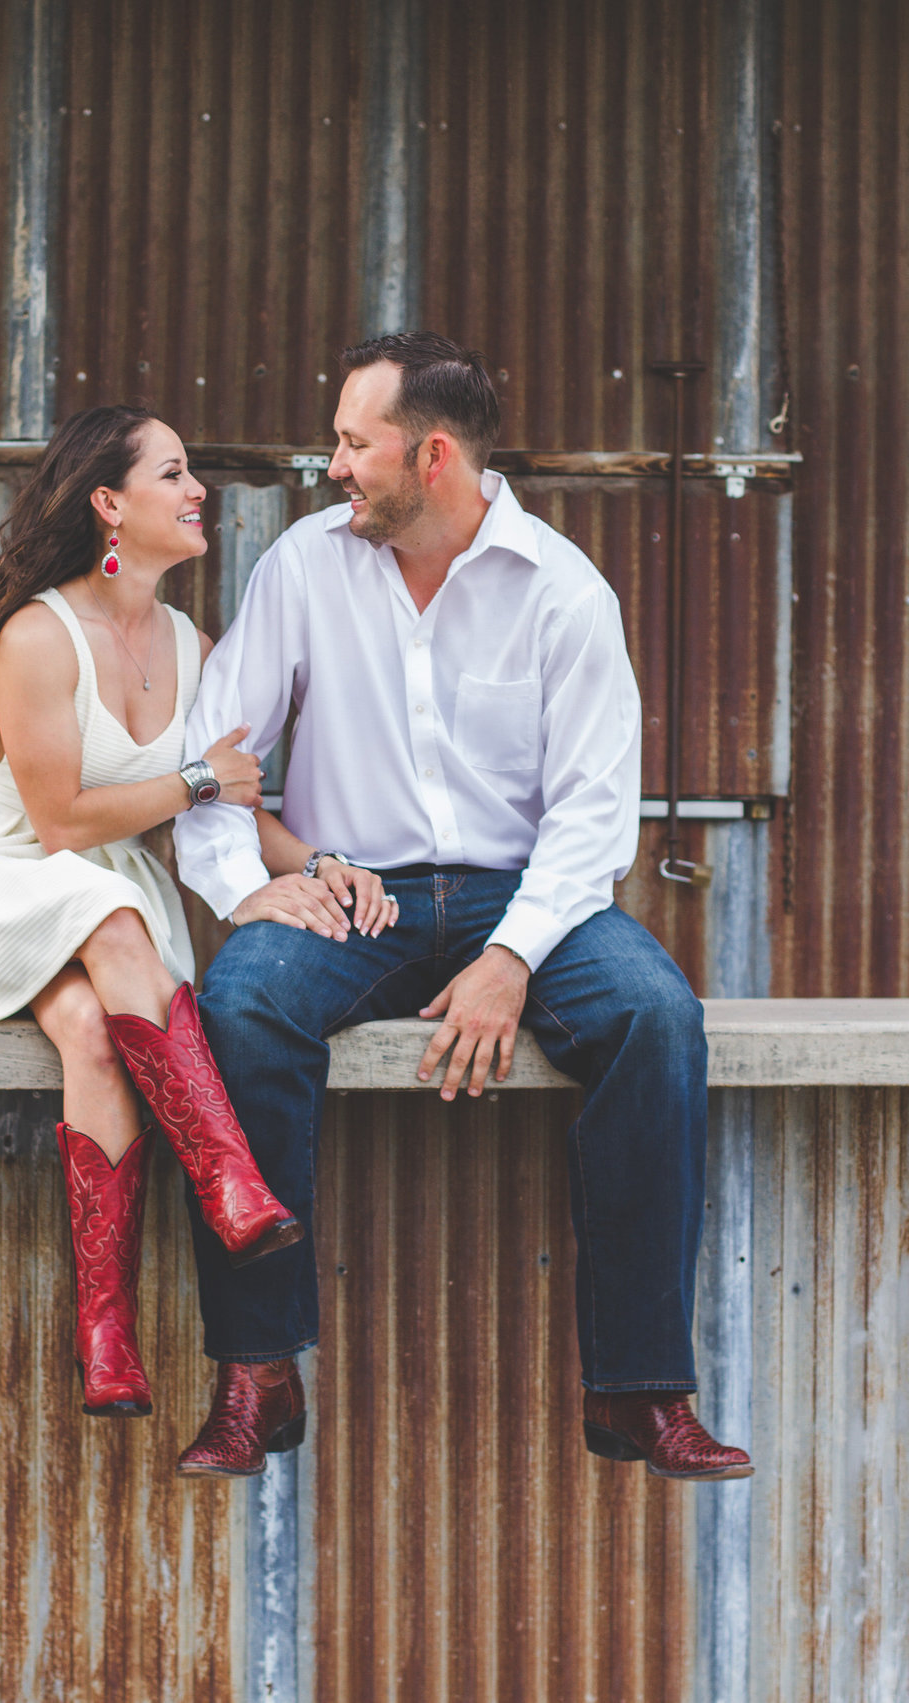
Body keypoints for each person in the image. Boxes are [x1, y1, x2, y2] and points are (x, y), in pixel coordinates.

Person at [172, 332, 754, 1483]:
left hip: (524, 889)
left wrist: (512, 959)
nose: (332, 462)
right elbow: (218, 755)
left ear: (431, 454)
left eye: (354, 441)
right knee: (241, 1006)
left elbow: (595, 814)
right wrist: (253, 890)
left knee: (654, 1014)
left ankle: (638, 1386)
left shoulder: (565, 592)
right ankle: (258, 1368)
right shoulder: (304, 566)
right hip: (360, 893)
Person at [0, 405, 307, 1423]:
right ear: (111, 503)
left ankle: (105, 1335)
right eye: (175, 473)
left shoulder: (195, 645)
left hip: (97, 895)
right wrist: (194, 780)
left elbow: (232, 791)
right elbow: (59, 821)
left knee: (91, 1035)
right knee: (112, 919)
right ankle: (227, 1178)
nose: (199, 492)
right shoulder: (38, 633)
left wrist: (319, 866)